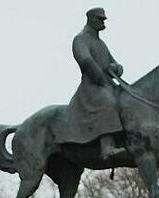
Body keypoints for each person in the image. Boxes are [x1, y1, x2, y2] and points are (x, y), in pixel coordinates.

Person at [54, 7, 126, 159]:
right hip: (92, 86)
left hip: (107, 84)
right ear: (91, 19)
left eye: (103, 19)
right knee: (108, 102)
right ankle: (107, 147)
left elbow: (115, 64)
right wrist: (100, 77)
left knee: (126, 100)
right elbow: (85, 60)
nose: (103, 22)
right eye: (100, 19)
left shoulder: (101, 43)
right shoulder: (80, 39)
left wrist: (116, 68)